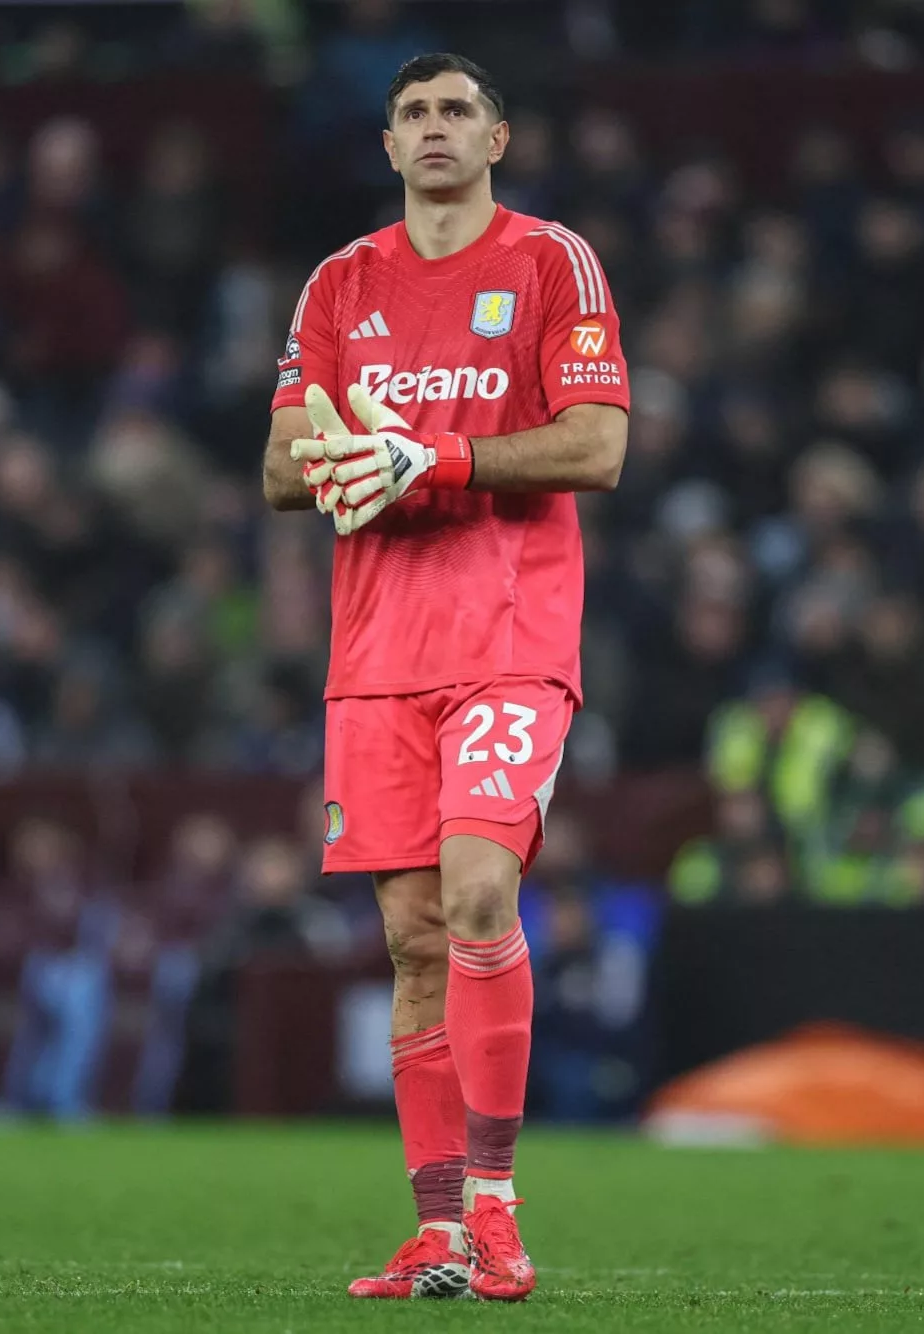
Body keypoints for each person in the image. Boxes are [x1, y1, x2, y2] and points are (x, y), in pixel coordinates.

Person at [263, 53, 629, 1302]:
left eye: (455, 111)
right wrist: (346, 458)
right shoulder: (340, 283)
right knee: (412, 941)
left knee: (480, 891)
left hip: (511, 639)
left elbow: (597, 441)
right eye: (412, 113)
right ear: (384, 145)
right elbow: (275, 461)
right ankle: (433, 1228)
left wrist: (435, 462)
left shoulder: (548, 264)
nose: (433, 128)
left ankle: (495, 1205)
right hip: (375, 657)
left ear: (498, 138)